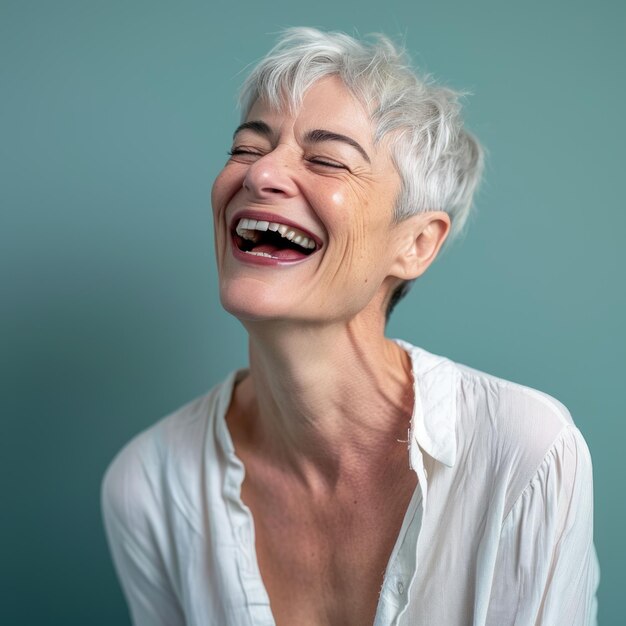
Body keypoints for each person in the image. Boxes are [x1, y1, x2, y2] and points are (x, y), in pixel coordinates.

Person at [101, 27, 600, 625]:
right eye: (247, 148)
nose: (261, 176)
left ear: (415, 244)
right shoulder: (150, 484)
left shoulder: (525, 453)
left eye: (327, 159)